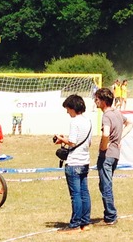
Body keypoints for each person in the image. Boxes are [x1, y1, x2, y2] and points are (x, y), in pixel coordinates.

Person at [94, 88, 133, 225]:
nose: (95, 102)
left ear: (104, 101)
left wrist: (104, 147)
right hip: (115, 155)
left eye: (97, 99)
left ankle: (111, 216)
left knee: (106, 185)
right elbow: (130, 123)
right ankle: (109, 213)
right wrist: (119, 139)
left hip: (107, 154)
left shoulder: (106, 116)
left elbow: (105, 134)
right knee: (104, 184)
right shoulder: (117, 113)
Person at [54, 95, 92, 233]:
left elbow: (73, 142)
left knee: (75, 195)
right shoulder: (88, 121)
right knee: (84, 193)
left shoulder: (74, 122)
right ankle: (85, 222)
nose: (67, 112)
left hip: (74, 162)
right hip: (85, 161)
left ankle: (75, 224)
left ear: (72, 108)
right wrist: (66, 139)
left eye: (68, 109)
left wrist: (61, 139)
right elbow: (87, 142)